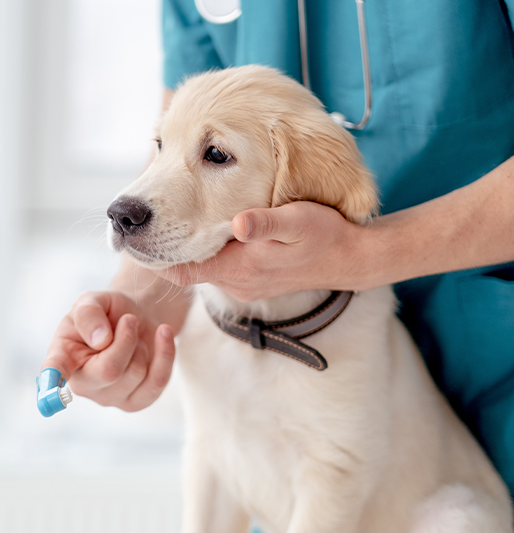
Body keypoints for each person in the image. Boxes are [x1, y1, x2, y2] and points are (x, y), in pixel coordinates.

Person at [43, 0, 514, 493]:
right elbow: (182, 133)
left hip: (491, 365)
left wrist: (359, 256)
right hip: (281, 372)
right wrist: (139, 301)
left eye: (218, 154)